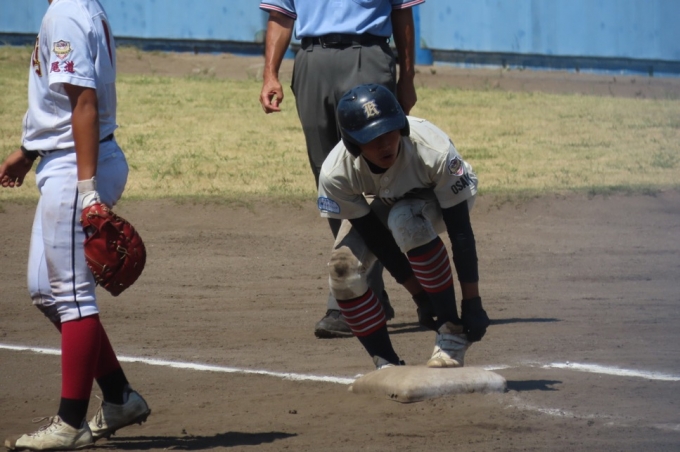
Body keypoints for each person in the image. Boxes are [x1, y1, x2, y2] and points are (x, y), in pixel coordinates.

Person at [1, 1, 150, 450]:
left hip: (77, 167)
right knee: (46, 291)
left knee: (70, 294)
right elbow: (63, 102)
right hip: (68, 157)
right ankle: (120, 397)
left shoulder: (65, 12)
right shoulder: (77, 6)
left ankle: (70, 423)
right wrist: (29, 152)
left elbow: (85, 102)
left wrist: (87, 191)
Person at [259, 0, 424, 338]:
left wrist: (407, 78)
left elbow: (402, 11)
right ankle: (374, 292)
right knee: (329, 180)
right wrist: (270, 74)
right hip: (311, 60)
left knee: (374, 180)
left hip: (368, 56)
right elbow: (281, 15)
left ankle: (348, 299)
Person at [317, 83, 491, 369]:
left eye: (389, 131)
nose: (384, 144)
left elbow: (460, 231)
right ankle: (386, 363)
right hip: (382, 202)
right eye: (372, 138)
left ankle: (452, 333)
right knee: (342, 270)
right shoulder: (336, 173)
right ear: (353, 143)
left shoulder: (434, 151)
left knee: (404, 219)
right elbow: (376, 239)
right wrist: (420, 296)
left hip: (436, 200)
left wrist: (472, 302)